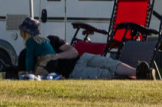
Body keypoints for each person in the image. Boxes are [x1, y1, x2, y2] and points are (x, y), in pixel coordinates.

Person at [17, 17, 151, 80]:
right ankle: (138, 77)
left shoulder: (52, 39)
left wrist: (56, 56)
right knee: (105, 74)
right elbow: (22, 75)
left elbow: (74, 52)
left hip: (82, 58)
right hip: (73, 72)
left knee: (109, 62)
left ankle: (139, 71)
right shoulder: (25, 54)